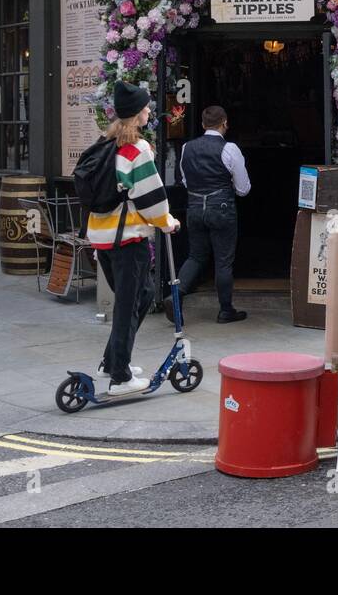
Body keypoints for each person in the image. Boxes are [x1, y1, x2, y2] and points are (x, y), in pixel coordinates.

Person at [88, 81, 179, 395]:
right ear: (137, 113)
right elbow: (151, 198)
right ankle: (121, 378)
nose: (149, 110)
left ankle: (111, 362)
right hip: (127, 239)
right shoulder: (136, 149)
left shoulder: (105, 142)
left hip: (103, 239)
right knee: (128, 306)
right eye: (146, 106)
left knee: (140, 297)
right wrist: (167, 222)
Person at [173, 105, 251, 324]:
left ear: (202, 124)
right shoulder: (230, 149)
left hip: (195, 207)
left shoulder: (187, 147)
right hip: (221, 208)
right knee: (223, 261)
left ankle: (176, 296)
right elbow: (244, 189)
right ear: (225, 122)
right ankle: (226, 310)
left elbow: (186, 181)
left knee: (195, 256)